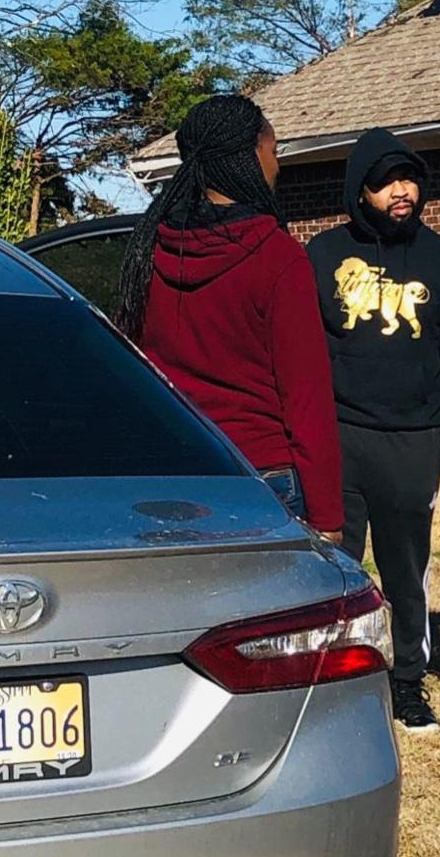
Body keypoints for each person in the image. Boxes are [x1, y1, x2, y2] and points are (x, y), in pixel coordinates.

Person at [307, 128, 440, 733]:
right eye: (387, 181)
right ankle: (329, 682)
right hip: (337, 434)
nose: (402, 190)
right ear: (360, 191)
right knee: (334, 566)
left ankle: (406, 682)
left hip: (413, 440)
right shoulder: (323, 255)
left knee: (404, 569)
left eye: (409, 178)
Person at [116, 94, 343, 541]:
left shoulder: (150, 248)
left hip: (177, 471)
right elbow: (307, 399)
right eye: (274, 152)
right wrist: (329, 518)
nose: (278, 166)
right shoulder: (278, 258)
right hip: (262, 477)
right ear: (252, 156)